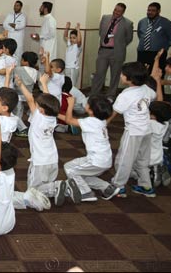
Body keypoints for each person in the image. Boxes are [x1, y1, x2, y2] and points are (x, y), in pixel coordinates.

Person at [15, 75, 80, 206]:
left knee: (31, 192)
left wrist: (21, 85)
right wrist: (44, 84)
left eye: (38, 105)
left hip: (39, 162)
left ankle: (57, 186)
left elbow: (29, 99)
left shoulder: (39, 117)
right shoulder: (53, 117)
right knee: (42, 189)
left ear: (41, 110)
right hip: (53, 159)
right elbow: (50, 100)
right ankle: (61, 188)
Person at [101, 62, 156, 199]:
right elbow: (154, 95)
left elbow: (114, 112)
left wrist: (103, 125)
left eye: (122, 74)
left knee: (124, 159)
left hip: (133, 132)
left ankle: (118, 186)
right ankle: (146, 186)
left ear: (130, 79)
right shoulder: (146, 89)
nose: (120, 76)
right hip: (147, 131)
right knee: (143, 160)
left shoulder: (126, 94)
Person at [60, 95, 115, 202]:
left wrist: (70, 104)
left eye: (87, 104)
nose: (85, 104)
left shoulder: (89, 122)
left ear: (90, 111)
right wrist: (56, 114)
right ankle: (107, 188)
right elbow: (72, 120)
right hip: (105, 159)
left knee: (69, 168)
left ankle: (85, 192)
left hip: (95, 160)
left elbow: (69, 120)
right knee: (80, 174)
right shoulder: (100, 121)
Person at [90, 3, 133, 100]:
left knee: (115, 75)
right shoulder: (105, 18)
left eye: (119, 11)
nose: (116, 12)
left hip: (117, 53)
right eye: (115, 10)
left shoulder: (128, 23)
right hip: (103, 51)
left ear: (123, 12)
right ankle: (94, 95)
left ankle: (111, 95)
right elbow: (101, 32)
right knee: (99, 74)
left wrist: (119, 45)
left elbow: (129, 38)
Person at [137, 2, 171, 73]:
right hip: (142, 52)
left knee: (157, 75)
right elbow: (140, 35)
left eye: (153, 10)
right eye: (148, 10)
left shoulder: (166, 23)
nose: (150, 12)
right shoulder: (142, 22)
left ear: (158, 11)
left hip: (158, 54)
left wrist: (163, 48)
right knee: (140, 75)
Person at [12, 51, 40, 138]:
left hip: (18, 94)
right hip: (29, 95)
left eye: (22, 60)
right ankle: (21, 127)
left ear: (25, 62)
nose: (21, 61)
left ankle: (23, 128)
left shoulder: (18, 69)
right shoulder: (36, 72)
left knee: (16, 112)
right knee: (25, 111)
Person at [63, 22, 82, 88]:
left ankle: (73, 97)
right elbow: (65, 36)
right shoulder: (69, 44)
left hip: (73, 68)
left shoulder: (77, 46)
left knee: (72, 86)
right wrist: (67, 28)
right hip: (67, 67)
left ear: (77, 38)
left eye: (74, 38)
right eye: (71, 37)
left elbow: (79, 41)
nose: (71, 39)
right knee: (68, 85)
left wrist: (78, 30)